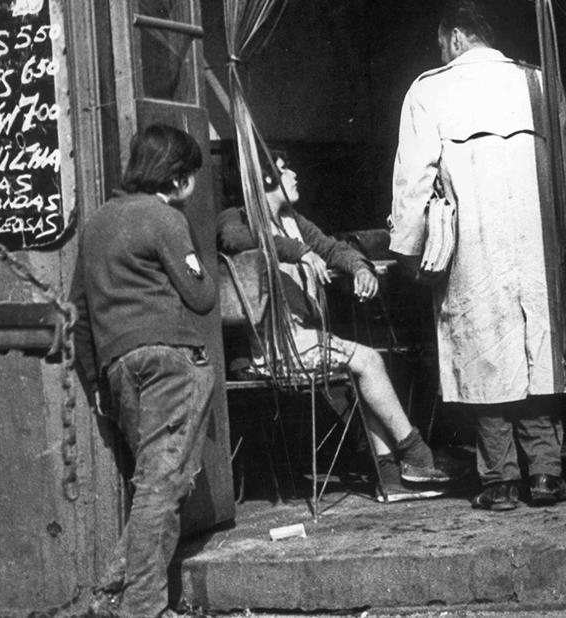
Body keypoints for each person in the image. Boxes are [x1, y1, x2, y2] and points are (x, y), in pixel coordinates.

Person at [390, 0, 566, 511]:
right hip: (539, 246)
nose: (441, 52)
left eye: (442, 43)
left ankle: (501, 482)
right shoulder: (537, 81)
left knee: (484, 360)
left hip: (474, 249)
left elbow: (412, 181)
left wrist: (407, 251)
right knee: (537, 358)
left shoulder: (430, 90)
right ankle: (548, 476)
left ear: (457, 36)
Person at [218, 151, 461, 502]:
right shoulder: (236, 219)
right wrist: (298, 252)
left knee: (366, 371)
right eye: (285, 170)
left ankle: (389, 475)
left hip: (305, 340)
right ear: (265, 178)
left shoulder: (293, 221)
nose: (295, 174)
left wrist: (361, 268)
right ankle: (415, 452)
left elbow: (333, 248)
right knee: (369, 362)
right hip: (273, 349)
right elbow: (236, 241)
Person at [69, 124, 216, 618]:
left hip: (119, 368)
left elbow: (79, 314)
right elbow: (201, 296)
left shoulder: (96, 224)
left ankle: (110, 593)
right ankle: (141, 609)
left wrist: (95, 382)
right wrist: (193, 247)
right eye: (190, 175)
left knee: (161, 480)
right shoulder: (165, 218)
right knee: (161, 485)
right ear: (177, 178)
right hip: (173, 363)